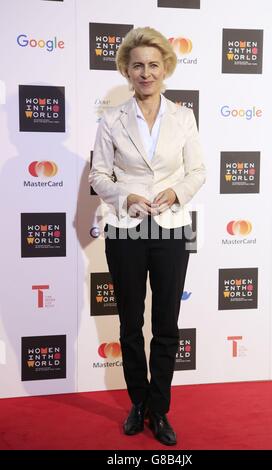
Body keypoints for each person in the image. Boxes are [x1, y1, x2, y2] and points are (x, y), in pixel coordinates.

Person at [89, 26, 206, 446]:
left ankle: (160, 409)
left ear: (165, 68)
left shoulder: (183, 116)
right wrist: (126, 194)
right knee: (129, 323)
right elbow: (99, 174)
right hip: (125, 227)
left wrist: (176, 191)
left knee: (167, 325)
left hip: (173, 227)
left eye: (153, 65)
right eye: (137, 65)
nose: (145, 72)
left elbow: (198, 171)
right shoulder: (111, 119)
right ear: (126, 69)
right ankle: (137, 401)